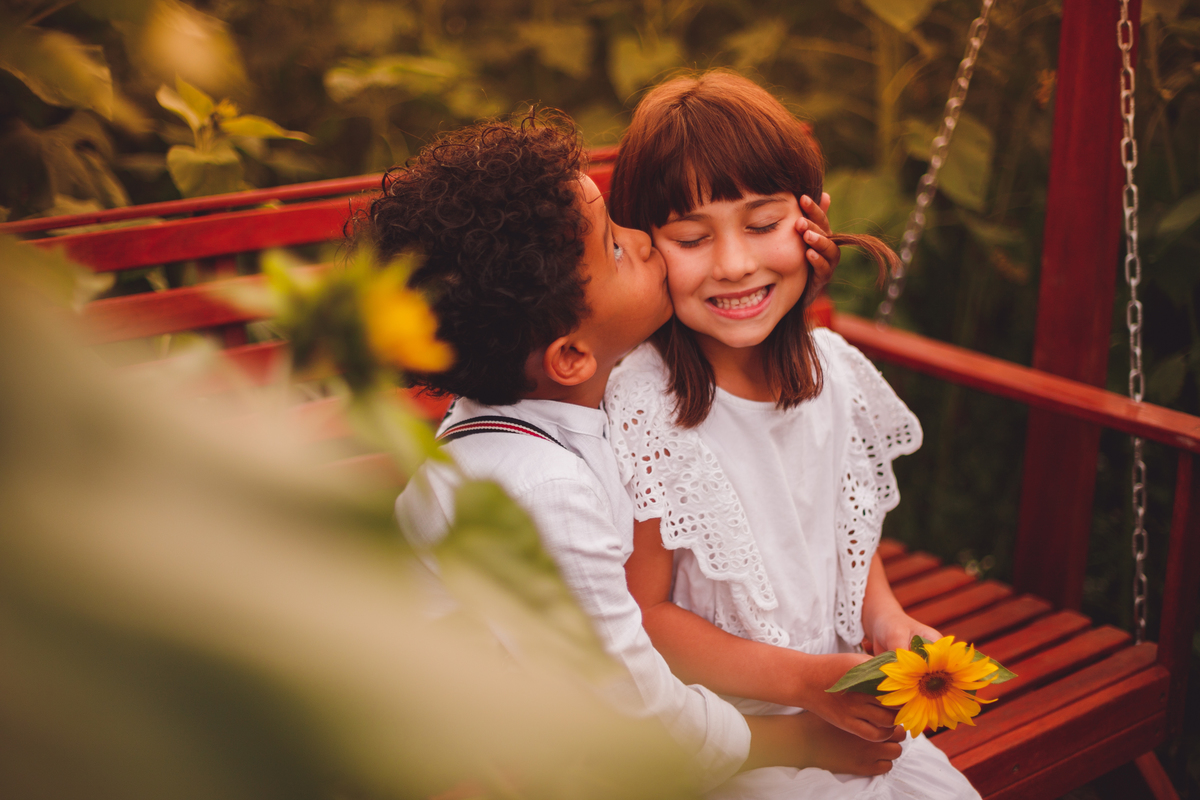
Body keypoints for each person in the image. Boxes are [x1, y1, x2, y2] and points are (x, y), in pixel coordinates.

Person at [374, 112, 859, 792]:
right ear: (571, 356)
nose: (643, 238)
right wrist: (796, 739)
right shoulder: (543, 493)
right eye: (617, 247)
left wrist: (791, 283)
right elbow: (634, 704)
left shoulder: (518, 411)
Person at [605, 71, 981, 798]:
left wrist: (886, 618)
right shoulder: (647, 405)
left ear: (813, 221)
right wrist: (806, 683)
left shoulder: (832, 371)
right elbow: (644, 617)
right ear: (647, 250)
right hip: (726, 737)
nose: (735, 264)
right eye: (692, 237)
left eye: (762, 224)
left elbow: (844, 533)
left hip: (843, 708)